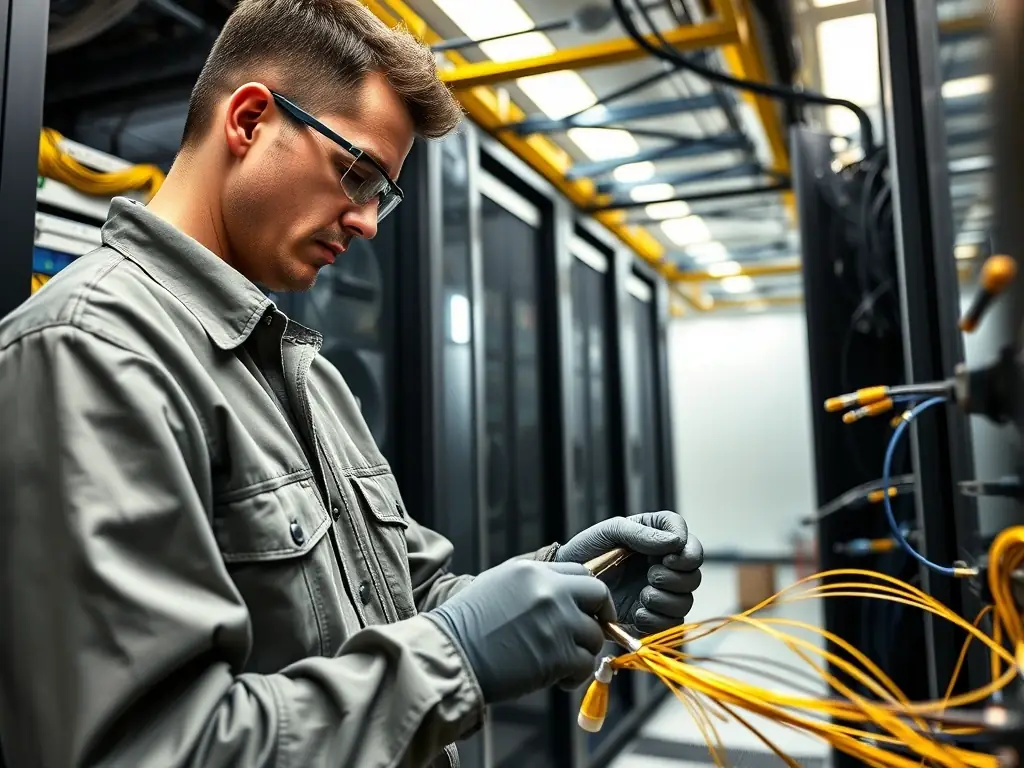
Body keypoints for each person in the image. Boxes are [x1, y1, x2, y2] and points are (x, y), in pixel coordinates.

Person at [0, 1, 704, 766]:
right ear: (249, 120)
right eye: (357, 172)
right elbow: (155, 748)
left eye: (382, 193)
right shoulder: (93, 351)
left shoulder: (308, 375)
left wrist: (567, 584)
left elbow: (404, 602)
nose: (369, 221)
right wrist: (460, 655)